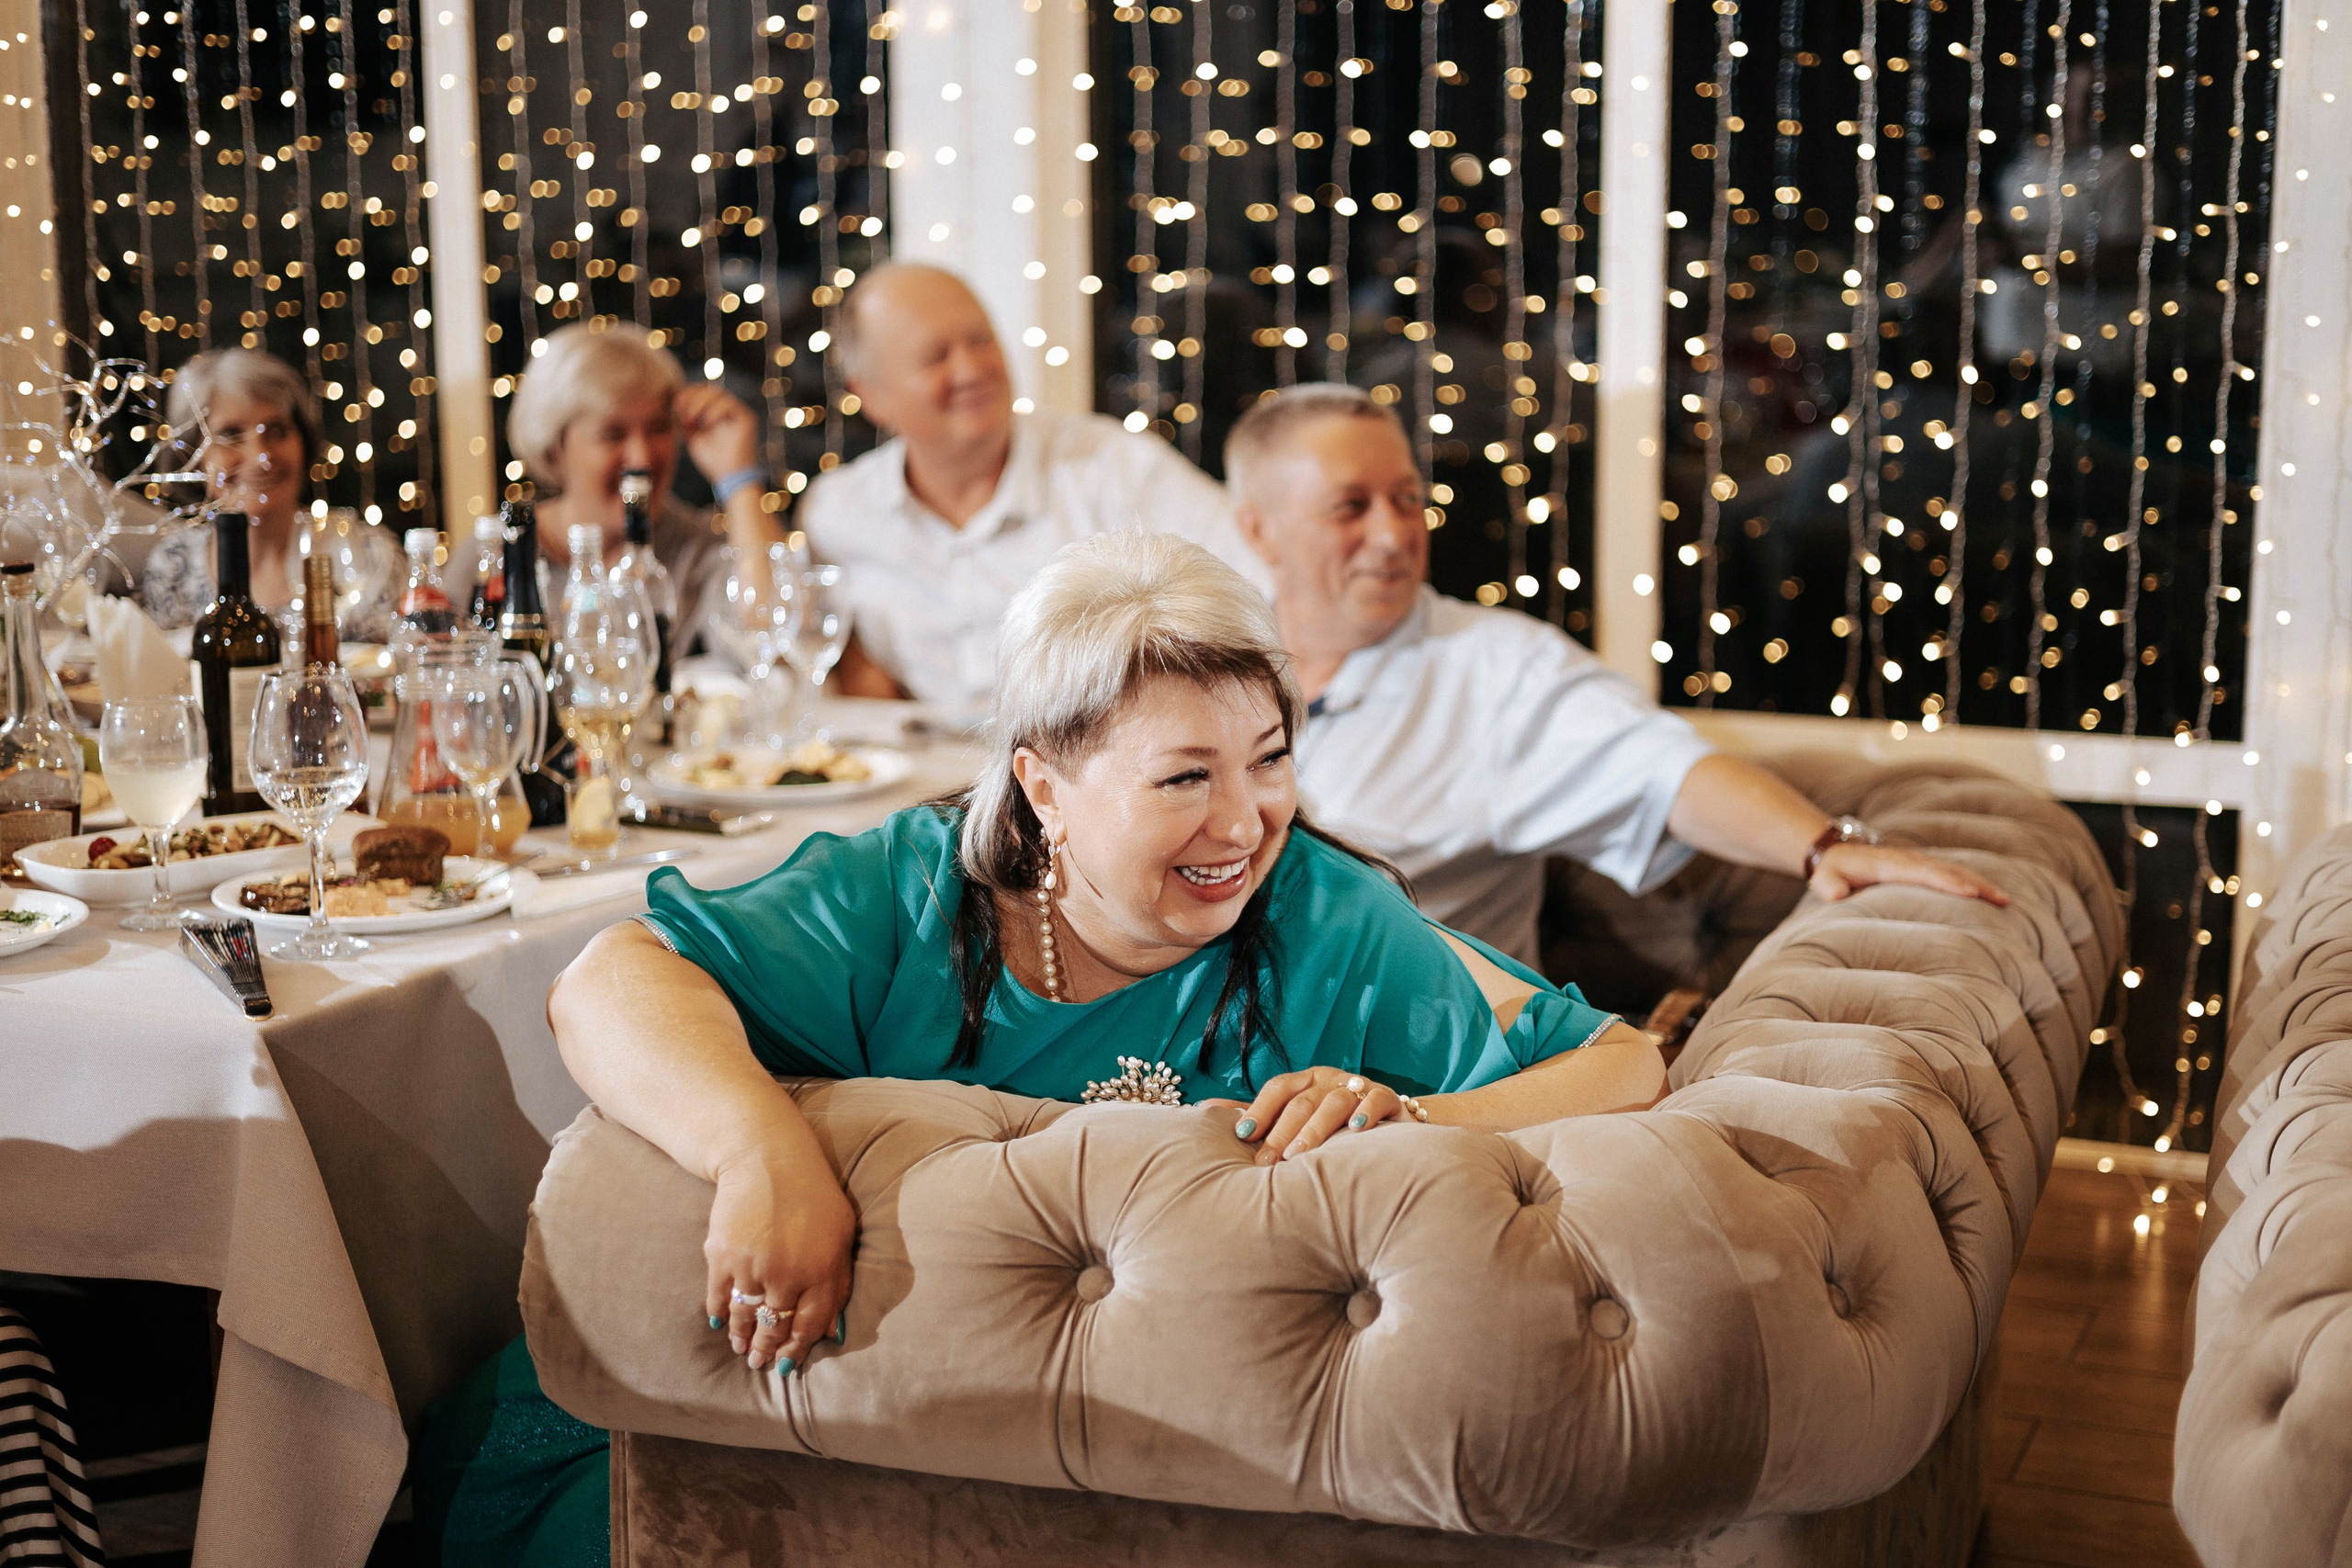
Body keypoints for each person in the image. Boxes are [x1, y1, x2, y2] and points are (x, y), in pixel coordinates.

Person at [413, 531, 1665, 1562]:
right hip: (811, 1424)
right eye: (1185, 777)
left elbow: (1622, 1061)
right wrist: (760, 1151)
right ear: (1045, 788)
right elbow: (607, 979)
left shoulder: (1326, 917)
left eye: (1271, 758)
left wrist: (1406, 1114)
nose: (1247, 820)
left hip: (1152, 1473)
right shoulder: (911, 893)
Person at [1225, 383, 2007, 970]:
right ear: (1260, 529)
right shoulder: (1202, 659)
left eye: (1406, 499)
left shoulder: (1499, 670)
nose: (1394, 534)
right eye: (1350, 507)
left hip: (1407, 1068)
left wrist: (1820, 845)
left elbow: (1663, 767)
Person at [796, 262, 1272, 710]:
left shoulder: (1114, 467)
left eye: (980, 341)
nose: (970, 370)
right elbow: (789, 646)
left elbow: (1264, 582)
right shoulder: (837, 512)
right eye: (935, 356)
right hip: (921, 783)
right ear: (871, 396)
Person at [506, 322, 783, 656]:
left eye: (658, 428)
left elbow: (775, 646)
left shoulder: (693, 553)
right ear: (554, 449)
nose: (642, 457)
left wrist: (739, 481)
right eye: (612, 434)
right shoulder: (500, 553)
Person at [139, 348, 399, 632]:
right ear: (193, 458)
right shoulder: (174, 569)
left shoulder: (369, 558)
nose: (261, 458)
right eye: (231, 435)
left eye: (277, 432)